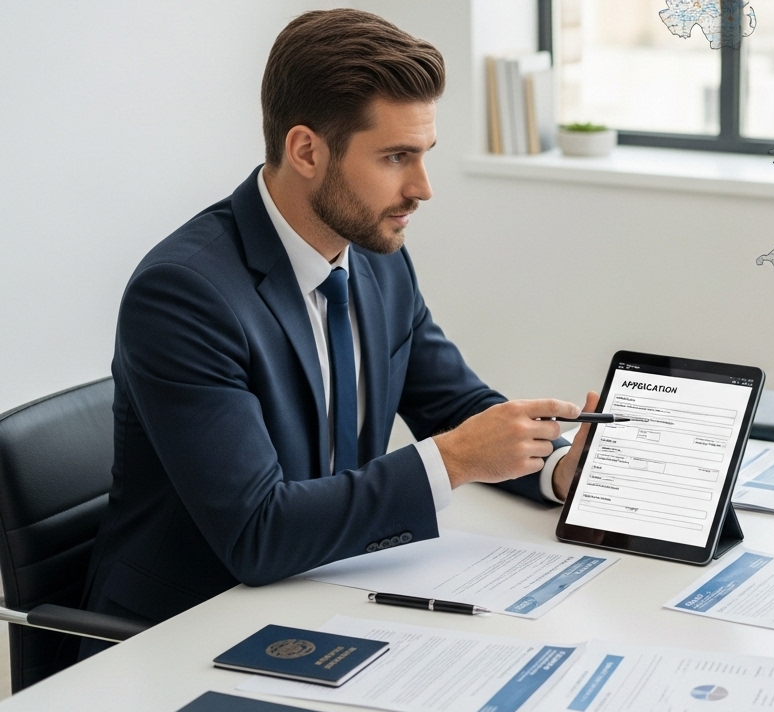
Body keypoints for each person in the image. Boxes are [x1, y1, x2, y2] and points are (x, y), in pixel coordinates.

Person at [79, 10, 595, 655]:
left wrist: (560, 468)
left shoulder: (377, 257)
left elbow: (456, 407)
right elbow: (256, 532)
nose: (423, 188)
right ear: (306, 150)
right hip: (182, 634)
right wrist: (455, 458)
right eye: (395, 157)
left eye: (424, 154)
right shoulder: (185, 294)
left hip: (329, 593)